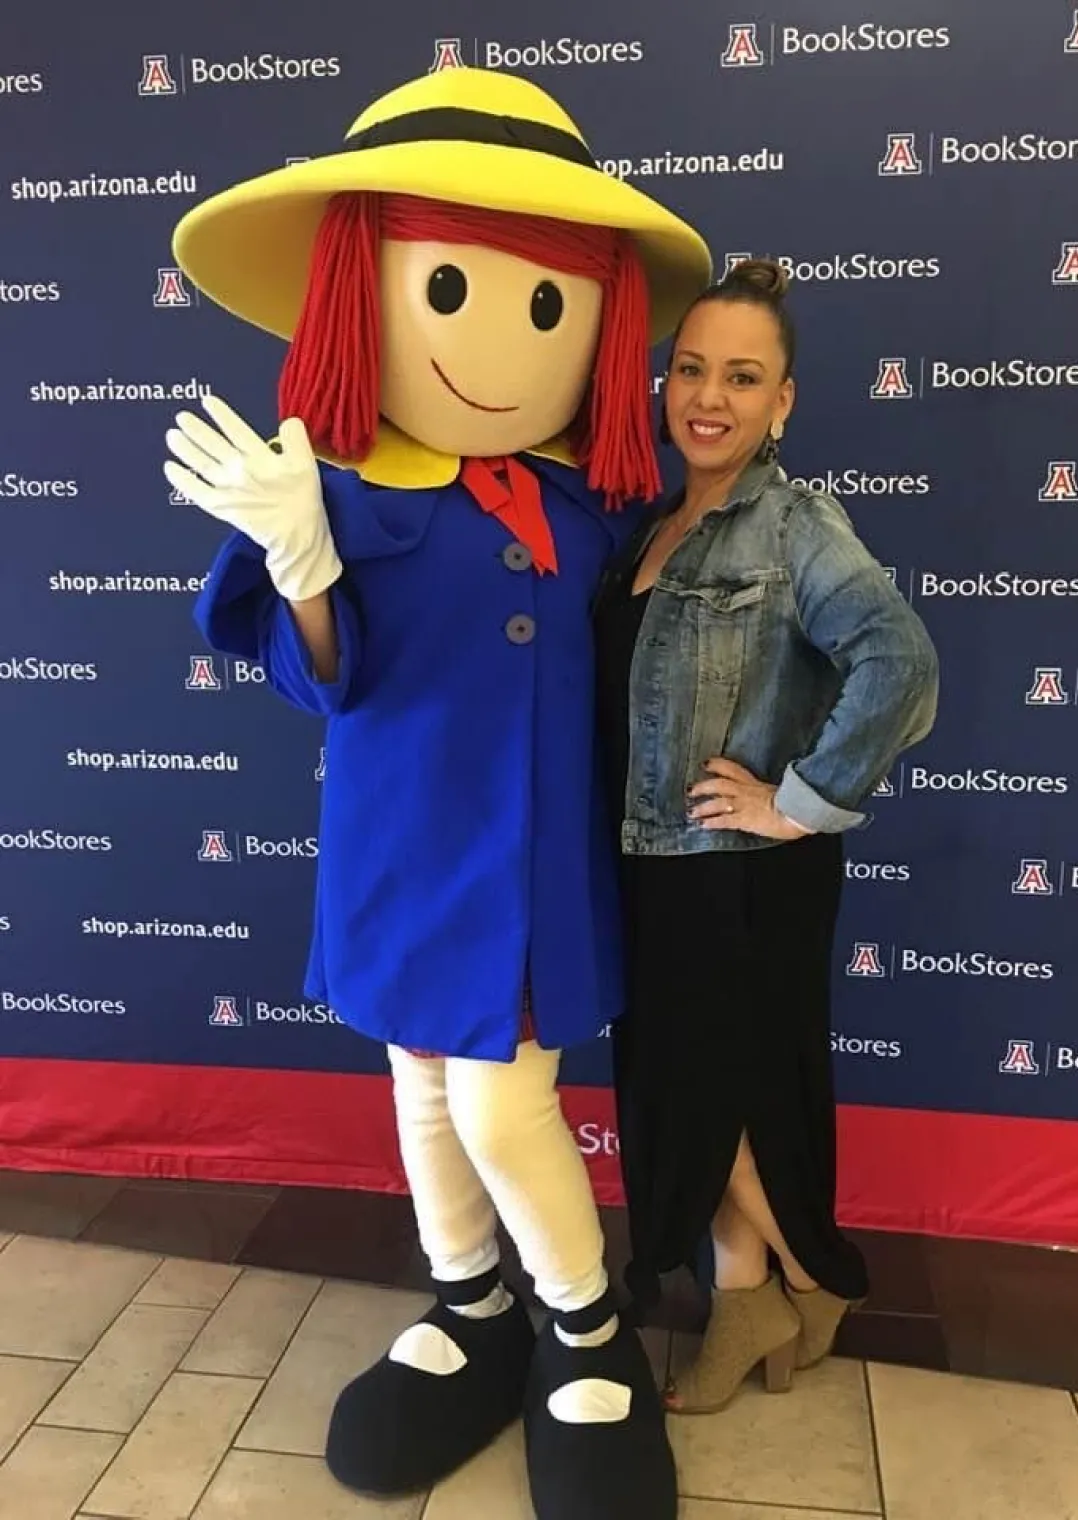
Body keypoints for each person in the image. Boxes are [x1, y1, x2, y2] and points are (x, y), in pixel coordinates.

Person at [161, 67, 710, 1520]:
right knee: (417, 1078)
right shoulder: (334, 485)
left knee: (503, 1093)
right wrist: (303, 569)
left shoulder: (593, 491)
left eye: (545, 304)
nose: (496, 337)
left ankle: (583, 1323)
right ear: (362, 286)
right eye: (448, 285)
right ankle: (470, 1304)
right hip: (398, 844)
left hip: (525, 857)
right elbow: (323, 681)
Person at [594, 258, 938, 1414]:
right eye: (691, 368)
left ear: (782, 401)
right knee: (694, 1085)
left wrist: (796, 799)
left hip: (740, 874)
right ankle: (747, 1285)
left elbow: (900, 659)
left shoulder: (792, 525)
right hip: (657, 864)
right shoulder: (658, 516)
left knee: (718, 1086)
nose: (710, 396)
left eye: (743, 377)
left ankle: (804, 1270)